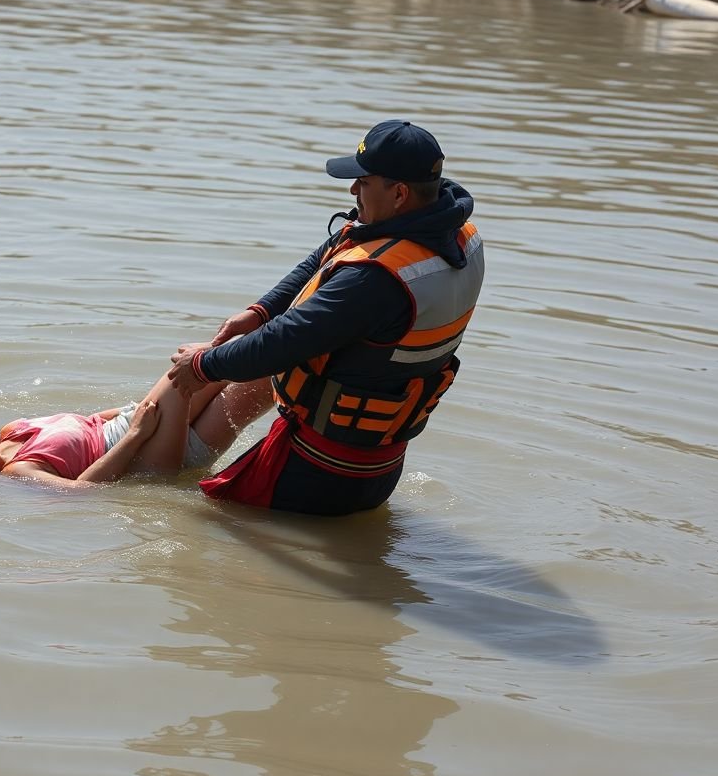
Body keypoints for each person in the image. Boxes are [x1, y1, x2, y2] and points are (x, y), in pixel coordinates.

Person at [168, 119, 485, 516]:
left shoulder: (376, 280)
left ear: (399, 193)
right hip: (375, 466)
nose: (352, 191)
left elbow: (282, 342)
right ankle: (181, 446)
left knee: (187, 518)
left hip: (318, 475)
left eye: (363, 182)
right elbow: (330, 252)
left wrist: (202, 366)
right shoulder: (455, 233)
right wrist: (260, 310)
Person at [0, 371, 272, 490]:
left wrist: (131, 413)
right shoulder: (19, 471)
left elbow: (87, 420)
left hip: (139, 424)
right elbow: (82, 491)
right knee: (209, 364)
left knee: (253, 376)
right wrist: (136, 435)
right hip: (146, 452)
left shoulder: (13, 430)